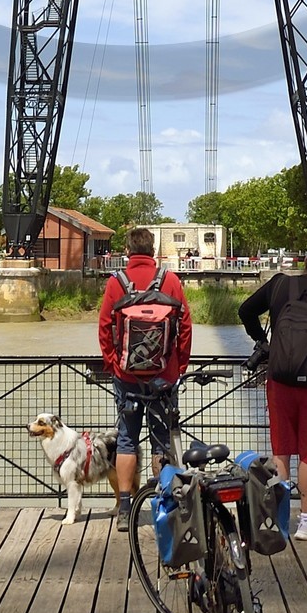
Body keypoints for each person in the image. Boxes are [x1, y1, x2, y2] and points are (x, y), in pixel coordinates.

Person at [240, 242, 307, 540]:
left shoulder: (278, 285)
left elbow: (245, 310)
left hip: (279, 379)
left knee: (282, 449)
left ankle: (280, 518)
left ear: (305, 262)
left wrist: (264, 344)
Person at [99, 227, 192, 531]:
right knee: (162, 441)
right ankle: (163, 504)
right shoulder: (171, 280)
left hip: (127, 375)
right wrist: (179, 365)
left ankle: (125, 507)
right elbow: (185, 326)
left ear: (127, 250)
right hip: (164, 375)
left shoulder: (116, 283)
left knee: (126, 439)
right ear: (153, 250)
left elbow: (104, 328)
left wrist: (114, 363)